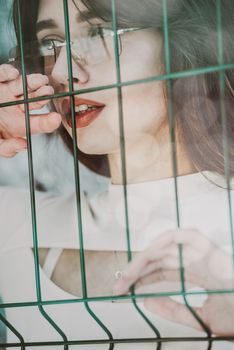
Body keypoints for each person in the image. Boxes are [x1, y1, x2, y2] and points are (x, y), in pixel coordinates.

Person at [0, 0, 234, 349]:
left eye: (99, 32)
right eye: (50, 43)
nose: (63, 71)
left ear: (184, 43)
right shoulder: (16, 223)